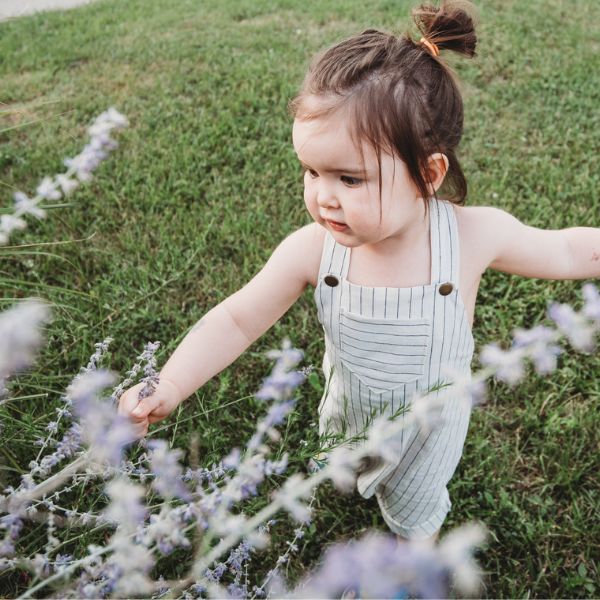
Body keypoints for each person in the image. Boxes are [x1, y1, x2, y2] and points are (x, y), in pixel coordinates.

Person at [118, 0, 600, 541]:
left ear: (427, 173)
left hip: (428, 430)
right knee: (343, 463)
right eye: (311, 171)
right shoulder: (313, 251)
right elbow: (237, 319)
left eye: (349, 179)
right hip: (349, 410)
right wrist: (174, 381)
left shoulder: (468, 237)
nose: (323, 197)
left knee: (412, 509)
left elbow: (561, 251)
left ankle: (408, 549)